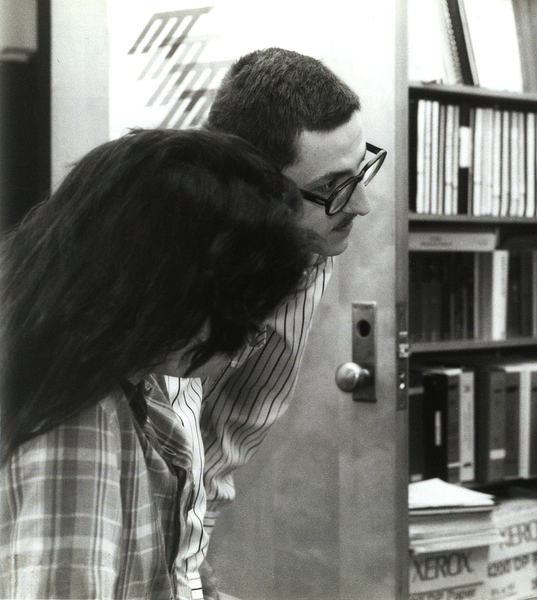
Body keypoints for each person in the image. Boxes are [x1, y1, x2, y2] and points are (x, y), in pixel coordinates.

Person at [0, 128, 318, 599]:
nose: (255, 334)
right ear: (172, 292)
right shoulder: (75, 418)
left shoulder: (111, 373)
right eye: (247, 309)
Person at [161, 48, 386, 596]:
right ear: (257, 189)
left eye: (363, 169)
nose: (363, 204)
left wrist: (192, 565)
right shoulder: (159, 259)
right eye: (336, 187)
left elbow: (232, 428)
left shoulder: (307, 248)